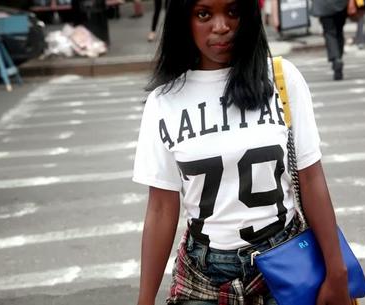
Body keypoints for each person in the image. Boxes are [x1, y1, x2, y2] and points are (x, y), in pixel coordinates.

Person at [133, 1, 350, 305]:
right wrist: (144, 300)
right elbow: (161, 208)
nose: (221, 26)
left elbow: (311, 177)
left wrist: (336, 270)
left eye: (233, 11)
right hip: (203, 276)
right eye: (204, 14)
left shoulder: (281, 79)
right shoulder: (164, 100)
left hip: (286, 262)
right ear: (185, 19)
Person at [311, 0, 348, 80]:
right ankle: (338, 57)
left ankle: (336, 58)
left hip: (324, 5)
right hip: (340, 4)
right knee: (339, 31)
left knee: (329, 32)